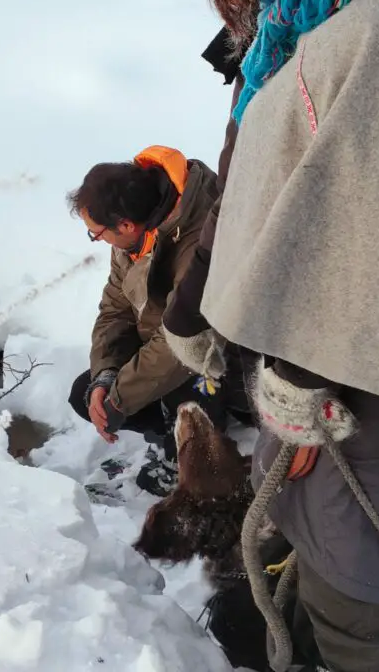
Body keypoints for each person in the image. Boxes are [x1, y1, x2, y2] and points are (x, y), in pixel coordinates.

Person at [164, 0, 379, 671]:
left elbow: (353, 222)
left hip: (372, 390)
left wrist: (294, 375)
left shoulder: (366, 33)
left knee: (361, 597)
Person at [67, 145, 248, 496]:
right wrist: (106, 376)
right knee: (85, 395)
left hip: (223, 358)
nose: (98, 240)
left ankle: (200, 446)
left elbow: (187, 340)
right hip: (165, 344)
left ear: (125, 224)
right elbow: (115, 308)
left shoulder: (200, 240)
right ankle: (172, 433)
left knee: (186, 383)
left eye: (97, 232)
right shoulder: (132, 237)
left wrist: (121, 398)